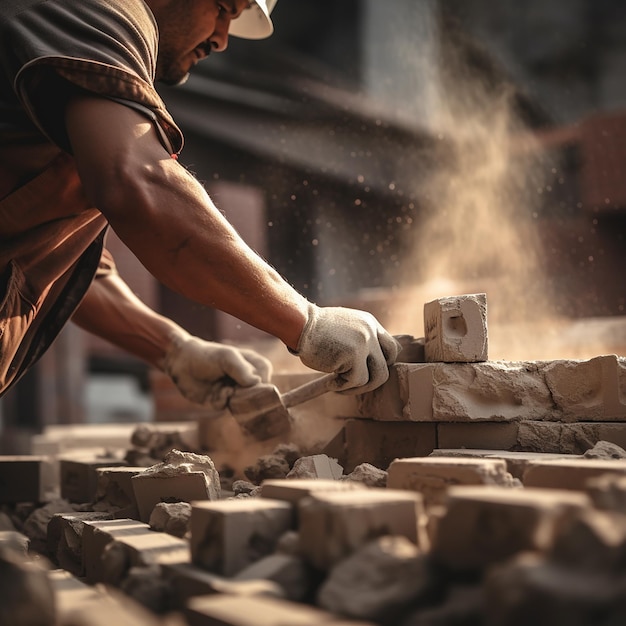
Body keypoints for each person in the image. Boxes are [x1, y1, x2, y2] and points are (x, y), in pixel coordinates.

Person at [0, 0, 400, 412]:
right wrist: (306, 322)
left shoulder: (82, 62)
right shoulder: (98, 10)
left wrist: (175, 349)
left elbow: (62, 268)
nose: (222, 38)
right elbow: (141, 185)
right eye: (226, 7)